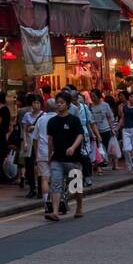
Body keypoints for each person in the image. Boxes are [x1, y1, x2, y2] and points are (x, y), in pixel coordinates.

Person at [44, 93, 84, 222]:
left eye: (61, 102)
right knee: (56, 184)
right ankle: (55, 212)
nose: (59, 105)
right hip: (57, 159)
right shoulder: (52, 121)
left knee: (75, 187)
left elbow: (80, 135)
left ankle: (79, 206)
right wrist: (49, 154)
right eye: (57, 102)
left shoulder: (74, 120)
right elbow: (50, 140)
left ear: (67, 104)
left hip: (73, 160)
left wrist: (73, 147)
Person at [32, 98, 56, 213]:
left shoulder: (41, 120)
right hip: (56, 152)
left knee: (44, 179)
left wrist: (37, 153)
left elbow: (35, 139)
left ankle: (47, 203)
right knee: (56, 178)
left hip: (42, 151)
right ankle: (57, 203)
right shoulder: (58, 119)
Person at [21, 94, 43, 197]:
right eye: (34, 103)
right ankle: (32, 189)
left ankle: (40, 190)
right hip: (29, 144)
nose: (36, 105)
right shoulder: (27, 115)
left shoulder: (44, 115)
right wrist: (24, 142)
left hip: (39, 144)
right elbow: (24, 130)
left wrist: (34, 128)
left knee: (39, 167)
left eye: (38, 103)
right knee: (29, 167)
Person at [89, 89, 114, 167]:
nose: (92, 98)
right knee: (98, 148)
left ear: (99, 96)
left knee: (106, 147)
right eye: (91, 96)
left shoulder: (105, 105)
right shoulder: (90, 107)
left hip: (106, 129)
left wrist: (112, 128)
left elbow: (109, 117)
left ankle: (106, 162)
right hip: (96, 131)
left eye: (94, 96)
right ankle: (100, 164)